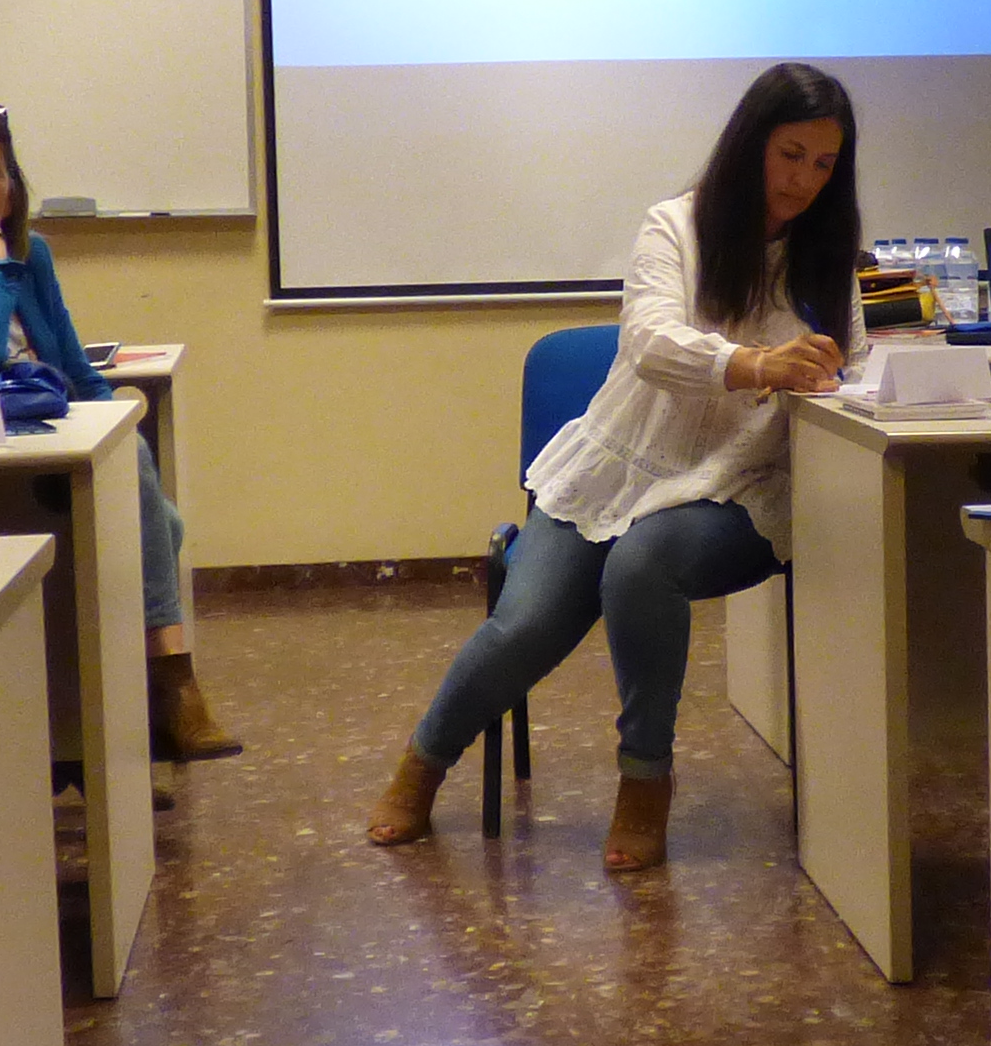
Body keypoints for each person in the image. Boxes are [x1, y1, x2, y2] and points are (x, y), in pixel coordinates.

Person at [367, 64, 863, 872]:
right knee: (526, 626)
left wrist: (840, 373)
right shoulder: (677, 227)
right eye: (790, 154)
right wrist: (757, 364)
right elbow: (650, 342)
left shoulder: (830, 258)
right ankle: (422, 763)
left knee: (642, 566)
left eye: (823, 164)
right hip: (619, 469)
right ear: (750, 146)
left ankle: (645, 780)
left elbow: (857, 367)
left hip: (737, 487)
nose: (803, 180)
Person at [0, 103, 242, 761]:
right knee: (134, 527)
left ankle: (107, 727)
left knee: (151, 508)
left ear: (11, 188)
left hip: (46, 448)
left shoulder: (33, 256)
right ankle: (171, 687)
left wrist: (118, 437)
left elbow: (71, 367)